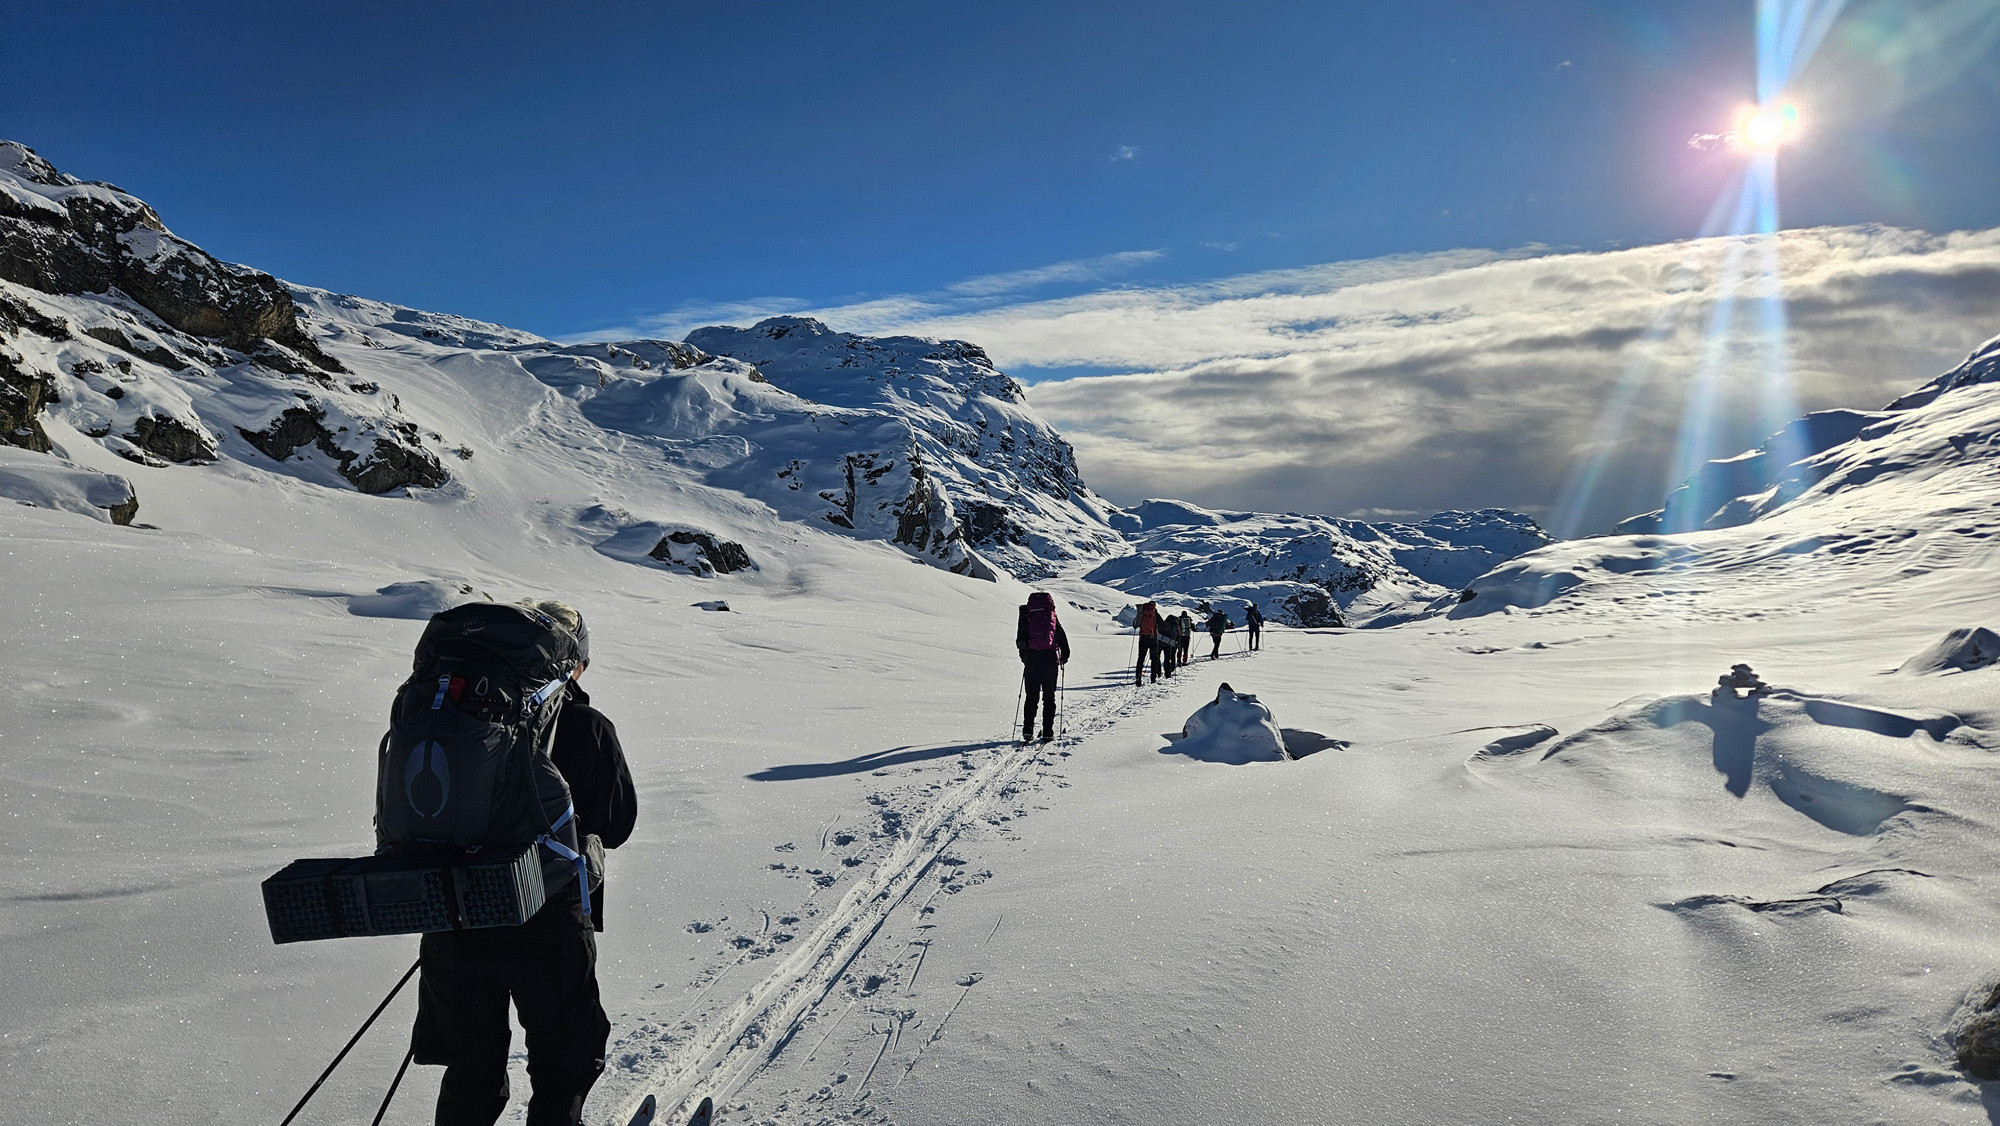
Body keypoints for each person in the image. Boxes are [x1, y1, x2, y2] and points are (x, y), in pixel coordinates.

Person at [413, 601, 638, 1126]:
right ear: (572, 662)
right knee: (564, 1065)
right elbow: (618, 823)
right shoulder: (586, 726)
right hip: (548, 920)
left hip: (453, 916)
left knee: (470, 1071)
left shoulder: (446, 712)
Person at [1017, 591, 1072, 742]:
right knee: (1049, 698)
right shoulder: (1052, 618)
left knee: (1031, 697)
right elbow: (1063, 643)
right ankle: (1048, 731)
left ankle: (1028, 730)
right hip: (1049, 661)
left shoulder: (1026, 615)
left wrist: (1025, 658)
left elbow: (1021, 638)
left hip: (1032, 660)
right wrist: (1063, 659)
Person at [1134, 600, 1164, 685]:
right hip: (1153, 639)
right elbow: (1163, 625)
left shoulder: (1142, 613)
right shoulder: (1155, 614)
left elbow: (1135, 625)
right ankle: (1153, 679)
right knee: (1154, 659)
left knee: (1141, 658)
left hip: (1143, 638)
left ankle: (1138, 678)